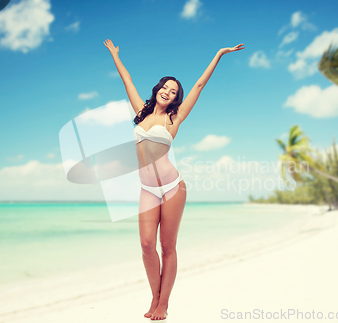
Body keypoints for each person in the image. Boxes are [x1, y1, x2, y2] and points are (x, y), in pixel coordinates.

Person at [104, 39, 244, 320]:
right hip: (147, 188)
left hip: (171, 187)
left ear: (175, 98)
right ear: (157, 90)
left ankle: (163, 304)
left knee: (168, 247)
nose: (168, 92)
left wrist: (219, 54)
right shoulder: (140, 112)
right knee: (146, 246)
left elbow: (199, 86)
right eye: (165, 88)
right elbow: (126, 80)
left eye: (173, 91)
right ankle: (154, 296)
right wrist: (116, 56)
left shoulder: (175, 118)